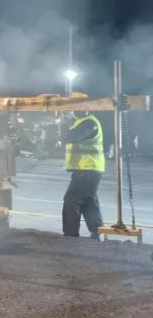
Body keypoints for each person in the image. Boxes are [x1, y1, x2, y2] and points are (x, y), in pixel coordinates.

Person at [62, 93, 104, 238]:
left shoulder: (89, 123)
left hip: (87, 169)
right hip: (88, 169)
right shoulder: (81, 122)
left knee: (71, 200)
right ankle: (98, 232)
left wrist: (65, 121)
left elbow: (71, 137)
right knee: (88, 201)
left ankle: (71, 235)